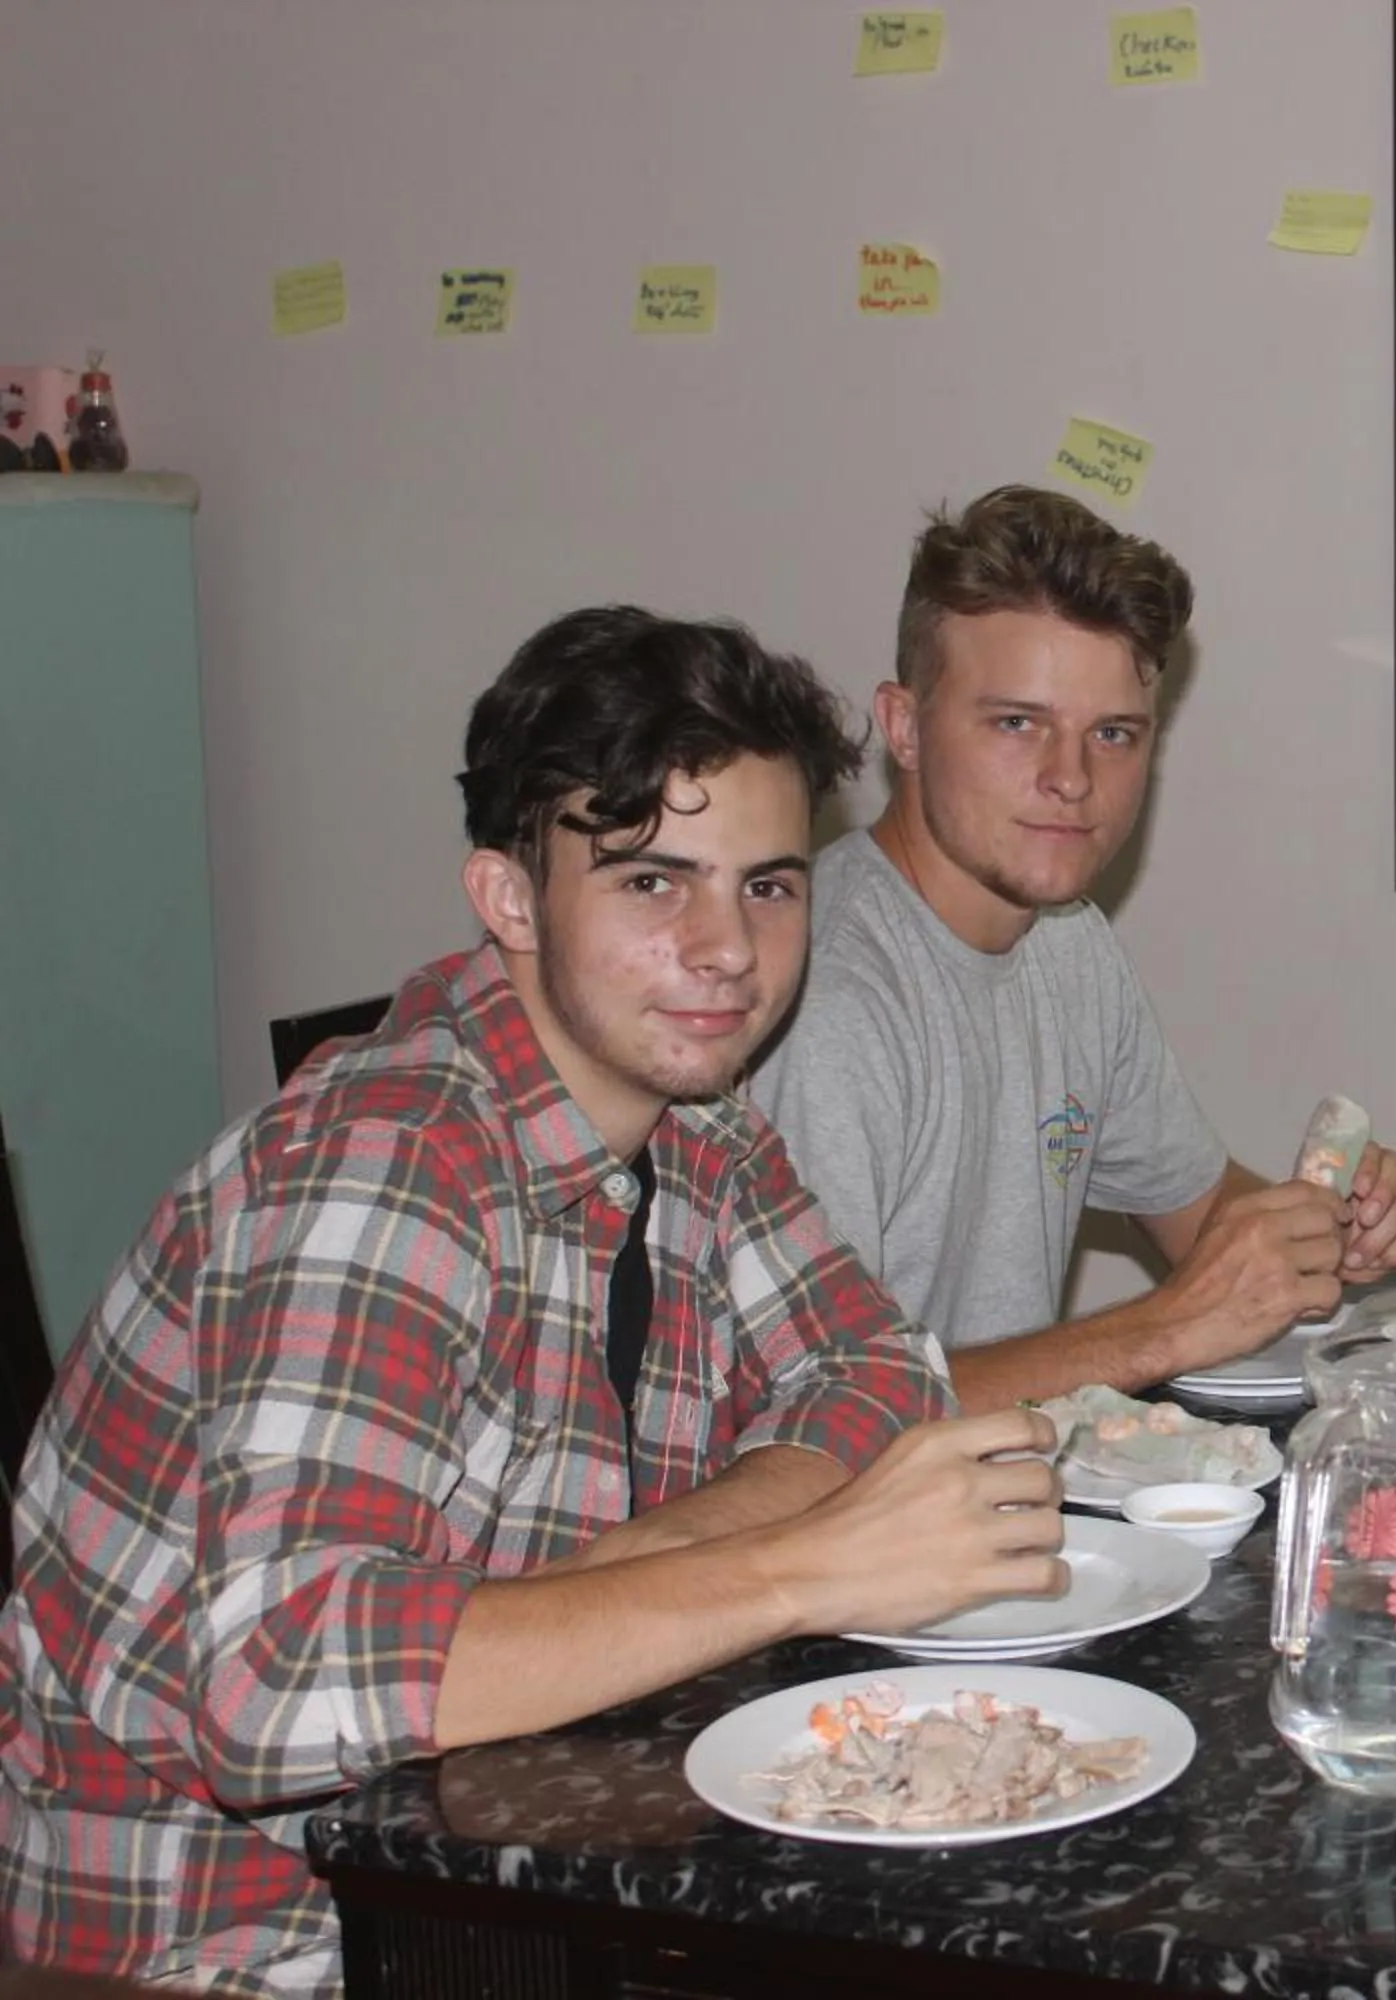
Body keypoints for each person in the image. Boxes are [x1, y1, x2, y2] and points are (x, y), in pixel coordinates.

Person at [0, 609, 1067, 1996]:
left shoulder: (697, 1124)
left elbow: (874, 1373)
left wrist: (623, 1578)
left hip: (495, 1872)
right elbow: (271, 1687)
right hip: (231, 1942)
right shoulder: (391, 1167)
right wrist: (808, 1567)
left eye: (769, 886)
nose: (727, 949)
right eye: (648, 884)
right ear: (509, 899)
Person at [750, 487, 1396, 1415]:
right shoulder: (826, 997)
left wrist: (1324, 1226)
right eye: (1017, 723)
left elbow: (1199, 1216)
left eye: (1112, 735)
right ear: (904, 727)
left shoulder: (1068, 941)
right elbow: (818, 1411)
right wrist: (1164, 1327)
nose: (1071, 779)